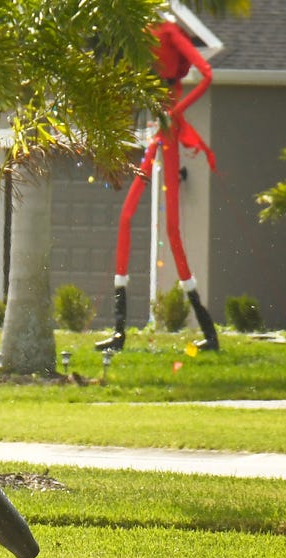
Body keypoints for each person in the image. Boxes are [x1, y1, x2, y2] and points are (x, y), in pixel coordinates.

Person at [96, 15, 219, 353]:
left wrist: (175, 111)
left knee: (173, 229)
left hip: (169, 129)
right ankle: (119, 330)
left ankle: (208, 332)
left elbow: (207, 74)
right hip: (155, 129)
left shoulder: (167, 32)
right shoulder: (136, 30)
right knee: (125, 217)